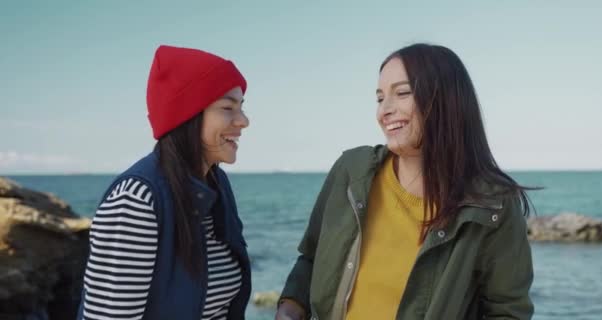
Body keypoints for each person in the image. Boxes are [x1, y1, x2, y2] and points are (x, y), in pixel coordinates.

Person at [276, 43, 534, 320]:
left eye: (401, 93)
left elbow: (508, 312)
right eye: (379, 98)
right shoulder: (351, 170)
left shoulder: (494, 204)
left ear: (445, 99)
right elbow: (312, 259)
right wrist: (290, 307)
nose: (384, 111)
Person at [76, 45, 251, 320]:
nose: (244, 121)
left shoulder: (216, 183)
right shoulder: (136, 198)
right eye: (228, 107)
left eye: (242, 107)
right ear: (187, 115)